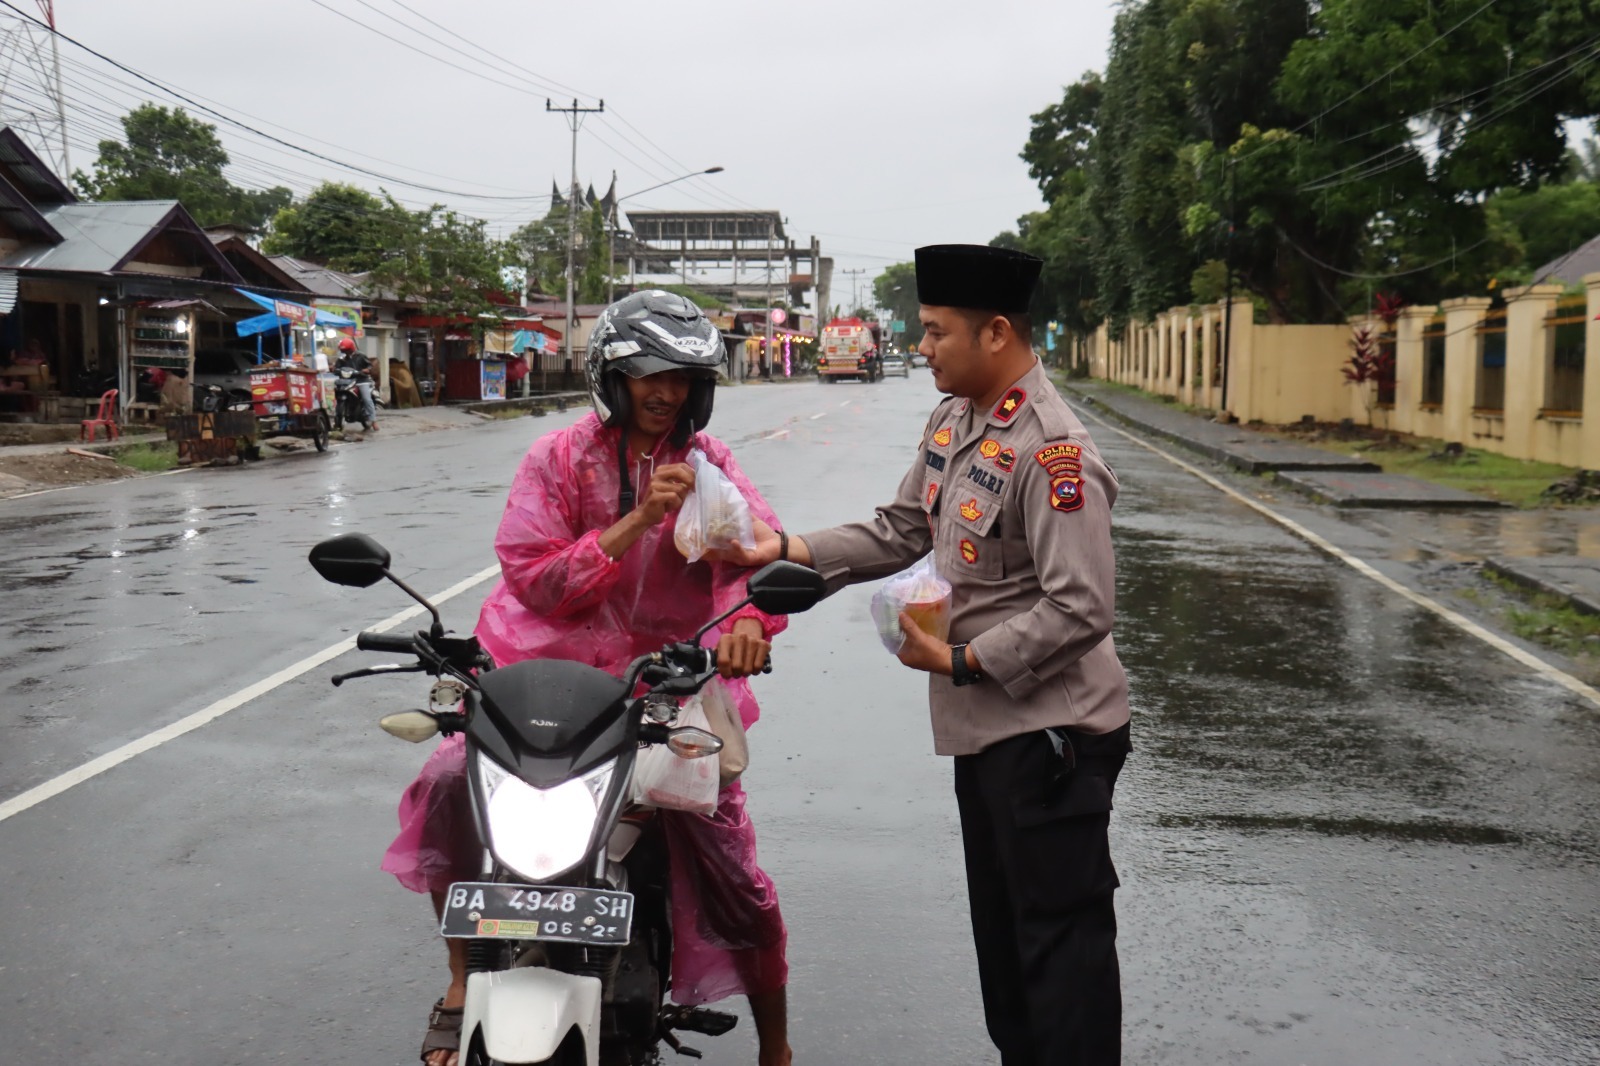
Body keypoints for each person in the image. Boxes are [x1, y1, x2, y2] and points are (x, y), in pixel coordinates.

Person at [726, 244, 1133, 1065]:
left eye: (937, 332)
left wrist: (965, 662)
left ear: (996, 335)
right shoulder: (955, 421)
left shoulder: (1052, 452)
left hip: (1049, 733)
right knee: (1008, 950)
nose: (921, 347)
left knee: (1060, 954)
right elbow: (902, 529)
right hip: (986, 730)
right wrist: (788, 545)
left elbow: (1081, 604)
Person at [384, 289, 795, 1066]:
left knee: (732, 865)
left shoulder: (709, 467)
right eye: (647, 374)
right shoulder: (556, 459)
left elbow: (749, 557)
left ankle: (777, 1043)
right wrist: (638, 522)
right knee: (446, 789)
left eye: (680, 377)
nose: (664, 392)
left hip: (665, 684)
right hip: (543, 682)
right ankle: (462, 978)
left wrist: (747, 621)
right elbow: (536, 579)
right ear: (613, 378)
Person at [335, 336, 378, 429]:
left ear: (351, 349)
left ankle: (373, 421)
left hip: (361, 380)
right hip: (347, 381)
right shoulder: (342, 358)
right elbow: (336, 367)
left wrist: (367, 369)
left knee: (367, 399)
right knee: (338, 393)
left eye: (347, 350)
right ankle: (337, 420)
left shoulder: (361, 356)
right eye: (344, 351)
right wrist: (333, 369)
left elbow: (370, 365)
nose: (346, 352)